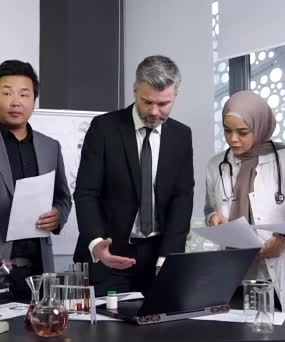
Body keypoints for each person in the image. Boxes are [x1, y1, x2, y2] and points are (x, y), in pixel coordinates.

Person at [73, 55, 194, 296]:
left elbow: (182, 199)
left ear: (175, 95)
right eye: (147, 101)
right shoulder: (104, 128)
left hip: (158, 257)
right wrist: (97, 244)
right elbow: (86, 192)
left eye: (164, 104)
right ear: (134, 89)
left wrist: (168, 257)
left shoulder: (182, 136)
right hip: (109, 256)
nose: (154, 112)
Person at [0, 60, 72, 302]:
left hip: (39, 272)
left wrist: (58, 215)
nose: (16, 101)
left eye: (24, 94)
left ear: (34, 100)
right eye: (7, 92)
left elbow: (63, 197)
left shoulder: (50, 146)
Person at [204, 90, 285, 329]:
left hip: (281, 273)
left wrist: (284, 238)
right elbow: (210, 209)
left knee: (284, 332)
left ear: (261, 125)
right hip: (235, 276)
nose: (233, 139)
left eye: (243, 132)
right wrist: (214, 218)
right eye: (227, 130)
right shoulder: (217, 165)